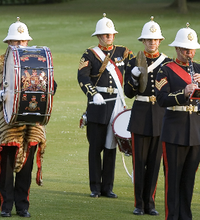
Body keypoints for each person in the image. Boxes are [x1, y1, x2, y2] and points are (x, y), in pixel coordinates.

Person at [0, 17, 56, 218]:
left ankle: (23, 206)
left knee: (26, 167)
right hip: (7, 124)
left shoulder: (37, 61)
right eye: (15, 41)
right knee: (5, 166)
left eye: (22, 41)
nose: (19, 44)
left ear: (28, 42)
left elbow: (52, 86)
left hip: (32, 122)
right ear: (8, 43)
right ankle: (6, 206)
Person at [77, 13, 134, 198]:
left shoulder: (123, 52)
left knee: (111, 146)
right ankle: (95, 187)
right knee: (96, 147)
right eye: (104, 34)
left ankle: (107, 187)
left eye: (110, 34)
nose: (108, 37)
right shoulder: (90, 54)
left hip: (116, 103)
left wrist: (137, 72)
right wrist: (93, 95)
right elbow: (82, 77)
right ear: (98, 36)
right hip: (98, 104)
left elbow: (135, 68)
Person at [124, 17, 170, 216]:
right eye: (148, 40)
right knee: (139, 162)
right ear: (143, 41)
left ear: (160, 41)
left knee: (154, 162)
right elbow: (129, 92)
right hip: (141, 115)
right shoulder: (134, 62)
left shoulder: (168, 63)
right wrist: (133, 76)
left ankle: (150, 202)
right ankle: (139, 203)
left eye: (155, 39)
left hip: (160, 117)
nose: (152, 42)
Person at [155, 23, 200, 220]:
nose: (189, 54)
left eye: (191, 50)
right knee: (173, 180)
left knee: (189, 180)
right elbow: (162, 99)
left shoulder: (199, 69)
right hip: (174, 130)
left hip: (196, 131)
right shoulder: (165, 70)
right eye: (185, 50)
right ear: (176, 49)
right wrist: (184, 92)